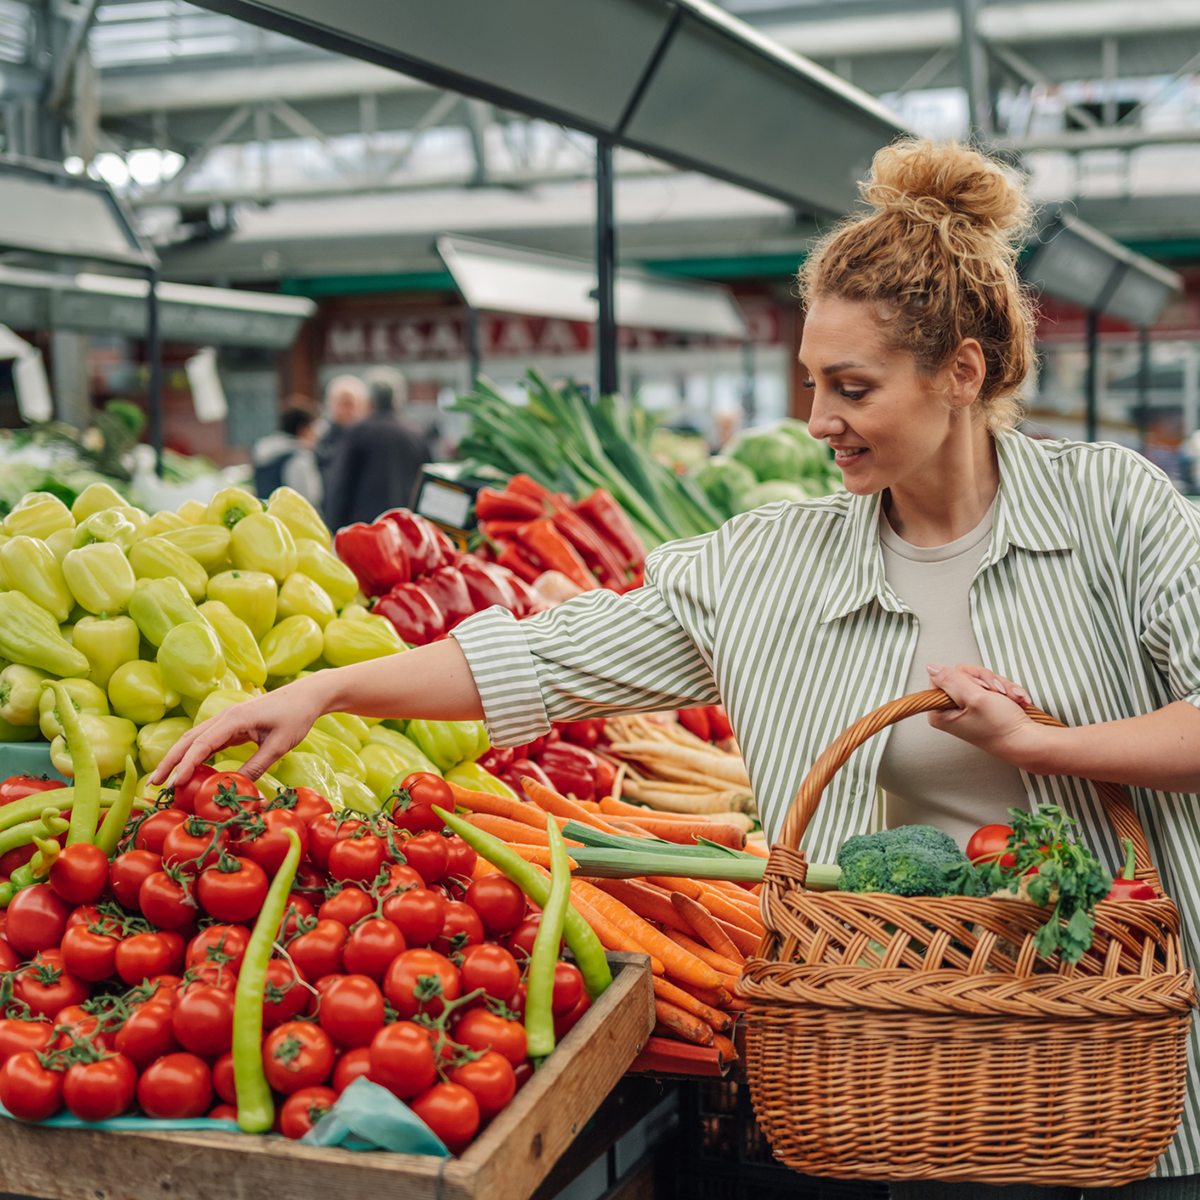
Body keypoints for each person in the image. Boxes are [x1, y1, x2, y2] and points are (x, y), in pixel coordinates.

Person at [153, 140, 1200, 1195]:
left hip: (1132, 1061)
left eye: (852, 388)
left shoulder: (1113, 509)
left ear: (962, 373)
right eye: (810, 384)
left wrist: (1042, 745)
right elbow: (546, 661)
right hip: (907, 1072)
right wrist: (328, 687)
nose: (818, 421)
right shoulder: (771, 567)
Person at [321, 375, 429, 529]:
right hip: (405, 526)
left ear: (370, 401)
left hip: (366, 527)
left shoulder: (357, 432)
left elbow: (341, 486)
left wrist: (334, 526)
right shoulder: (415, 434)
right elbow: (426, 485)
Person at [251, 405, 323, 505]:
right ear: (303, 429)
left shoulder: (265, 454)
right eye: (314, 429)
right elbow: (308, 500)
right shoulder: (299, 459)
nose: (317, 435)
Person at [314, 374, 369, 484]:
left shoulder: (367, 436)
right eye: (344, 404)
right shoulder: (320, 435)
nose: (349, 411)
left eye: (352, 405)